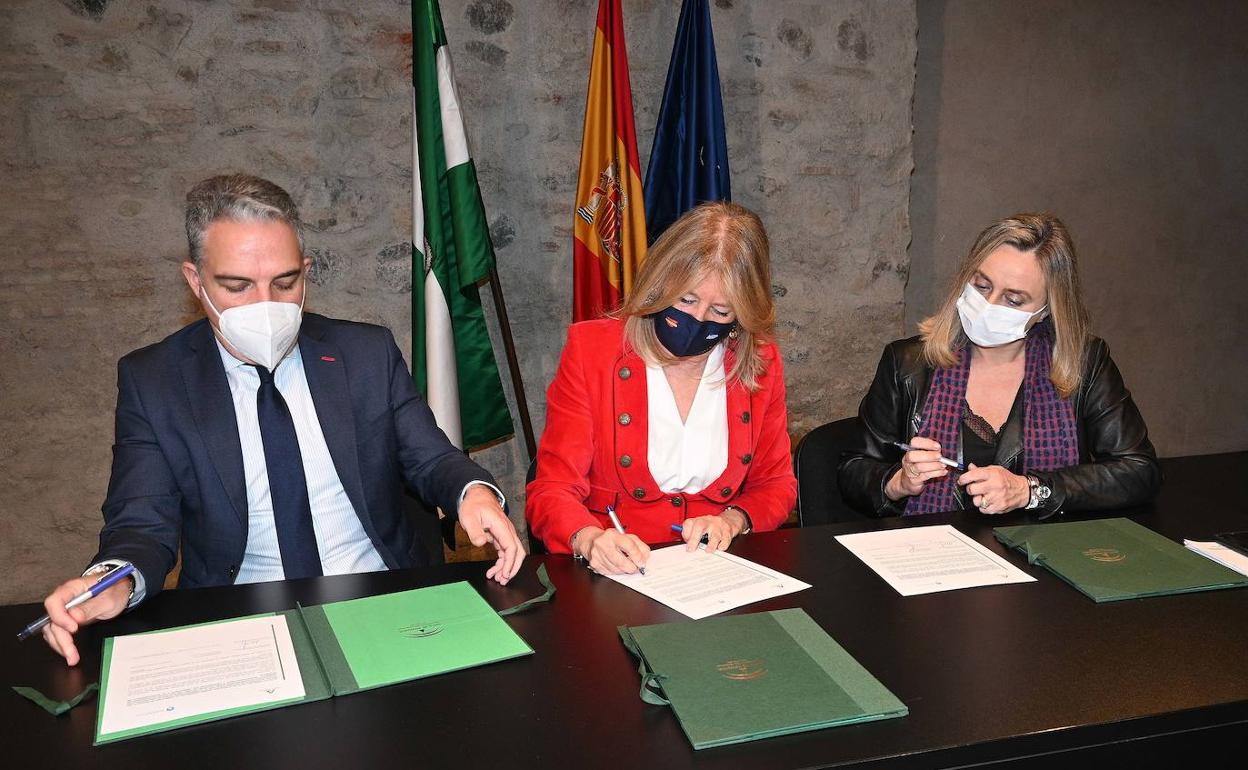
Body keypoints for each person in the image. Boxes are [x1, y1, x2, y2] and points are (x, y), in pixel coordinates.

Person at [40, 174, 524, 665]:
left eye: (285, 282)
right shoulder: (155, 382)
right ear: (195, 281)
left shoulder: (365, 353)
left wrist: (473, 492)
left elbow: (431, 458)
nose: (265, 306)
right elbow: (142, 522)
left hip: (385, 600)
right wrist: (113, 583)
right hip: (240, 621)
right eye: (236, 286)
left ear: (306, 271)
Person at [526, 202, 796, 574]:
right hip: (613, 574)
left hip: (716, 573)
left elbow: (776, 484)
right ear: (659, 284)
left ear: (743, 315)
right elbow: (551, 490)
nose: (698, 319)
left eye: (720, 311)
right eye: (686, 299)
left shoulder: (761, 363)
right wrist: (589, 538)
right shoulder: (593, 352)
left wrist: (733, 521)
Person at [839, 213, 1160, 518]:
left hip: (1041, 554)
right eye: (981, 285)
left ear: (1047, 309)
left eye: (1014, 300)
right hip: (931, 555)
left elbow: (1137, 471)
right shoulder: (908, 363)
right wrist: (898, 483)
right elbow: (854, 470)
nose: (988, 305)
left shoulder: (1083, 362)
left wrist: (1029, 490)